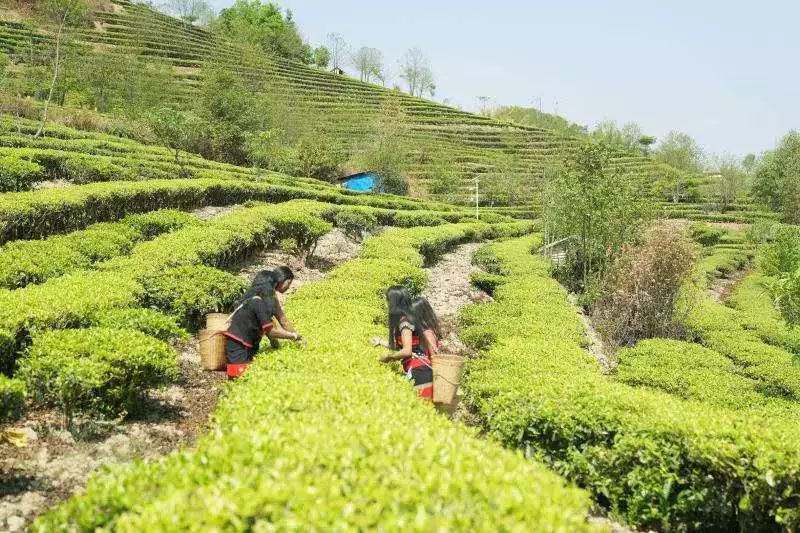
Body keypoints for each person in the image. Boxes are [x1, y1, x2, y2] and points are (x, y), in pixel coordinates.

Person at [223, 267, 303, 379]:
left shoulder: (263, 298)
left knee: (245, 378)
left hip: (247, 344)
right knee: (239, 378)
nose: (289, 287)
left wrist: (276, 344)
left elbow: (278, 321)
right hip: (238, 344)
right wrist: (293, 336)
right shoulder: (257, 301)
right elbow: (270, 331)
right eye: (288, 283)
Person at [372, 286, 433, 400]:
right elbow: (402, 346)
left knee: (423, 407)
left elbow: (407, 351)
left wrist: (388, 357)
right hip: (418, 368)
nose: (387, 304)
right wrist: (380, 342)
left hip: (418, 369)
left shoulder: (405, 323)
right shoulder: (406, 319)